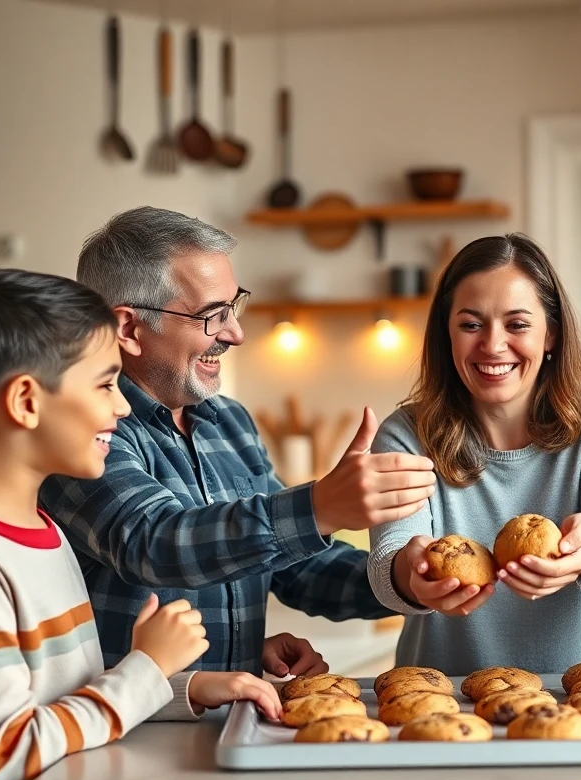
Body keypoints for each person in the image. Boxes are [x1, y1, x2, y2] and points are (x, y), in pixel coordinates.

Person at [0, 265, 277, 780]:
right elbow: (7, 759)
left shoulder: (40, 529)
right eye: (106, 383)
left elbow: (73, 699)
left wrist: (186, 689)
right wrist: (145, 667)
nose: (121, 405)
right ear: (27, 401)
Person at [39, 207, 435, 684]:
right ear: (128, 328)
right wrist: (319, 506)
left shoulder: (231, 422)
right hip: (130, 728)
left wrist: (404, 581)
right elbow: (154, 543)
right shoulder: (84, 429)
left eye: (234, 307)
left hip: (233, 716)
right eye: (212, 316)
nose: (235, 333)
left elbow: (296, 568)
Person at [366, 233, 581, 674]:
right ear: (447, 333)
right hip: (444, 704)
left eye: (517, 324)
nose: (492, 344)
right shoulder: (407, 435)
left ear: (551, 334)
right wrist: (413, 575)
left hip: (578, 699)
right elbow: (387, 565)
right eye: (470, 324)